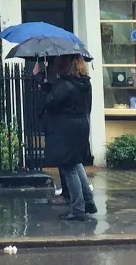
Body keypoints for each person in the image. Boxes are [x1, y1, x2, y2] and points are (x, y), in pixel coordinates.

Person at [36, 54, 97, 221]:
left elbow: (50, 102)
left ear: (65, 64)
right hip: (81, 126)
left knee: (68, 167)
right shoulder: (85, 82)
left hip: (66, 129)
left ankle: (78, 209)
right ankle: (89, 202)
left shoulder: (66, 84)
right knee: (76, 163)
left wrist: (41, 79)